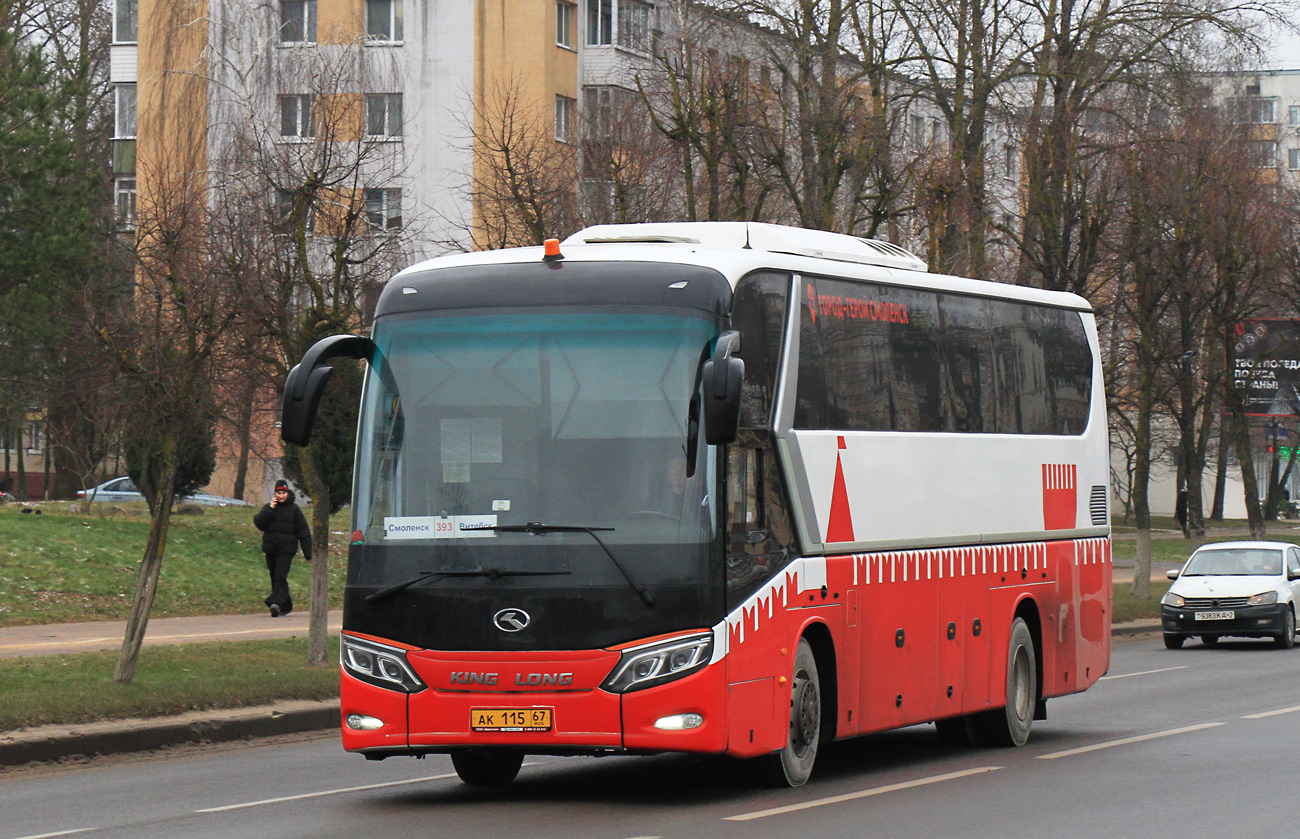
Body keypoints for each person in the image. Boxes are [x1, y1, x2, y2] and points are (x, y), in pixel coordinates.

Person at [253, 479, 311, 617]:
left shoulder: (294, 510)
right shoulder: (269, 508)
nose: (280, 496)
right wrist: (269, 510)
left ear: (288, 493)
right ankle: (285, 606)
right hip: (271, 548)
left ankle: (275, 604)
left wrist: (308, 554)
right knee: (274, 577)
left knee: (280, 575)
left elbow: (304, 532)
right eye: (278, 493)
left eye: (283, 493)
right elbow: (259, 524)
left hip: (287, 549)